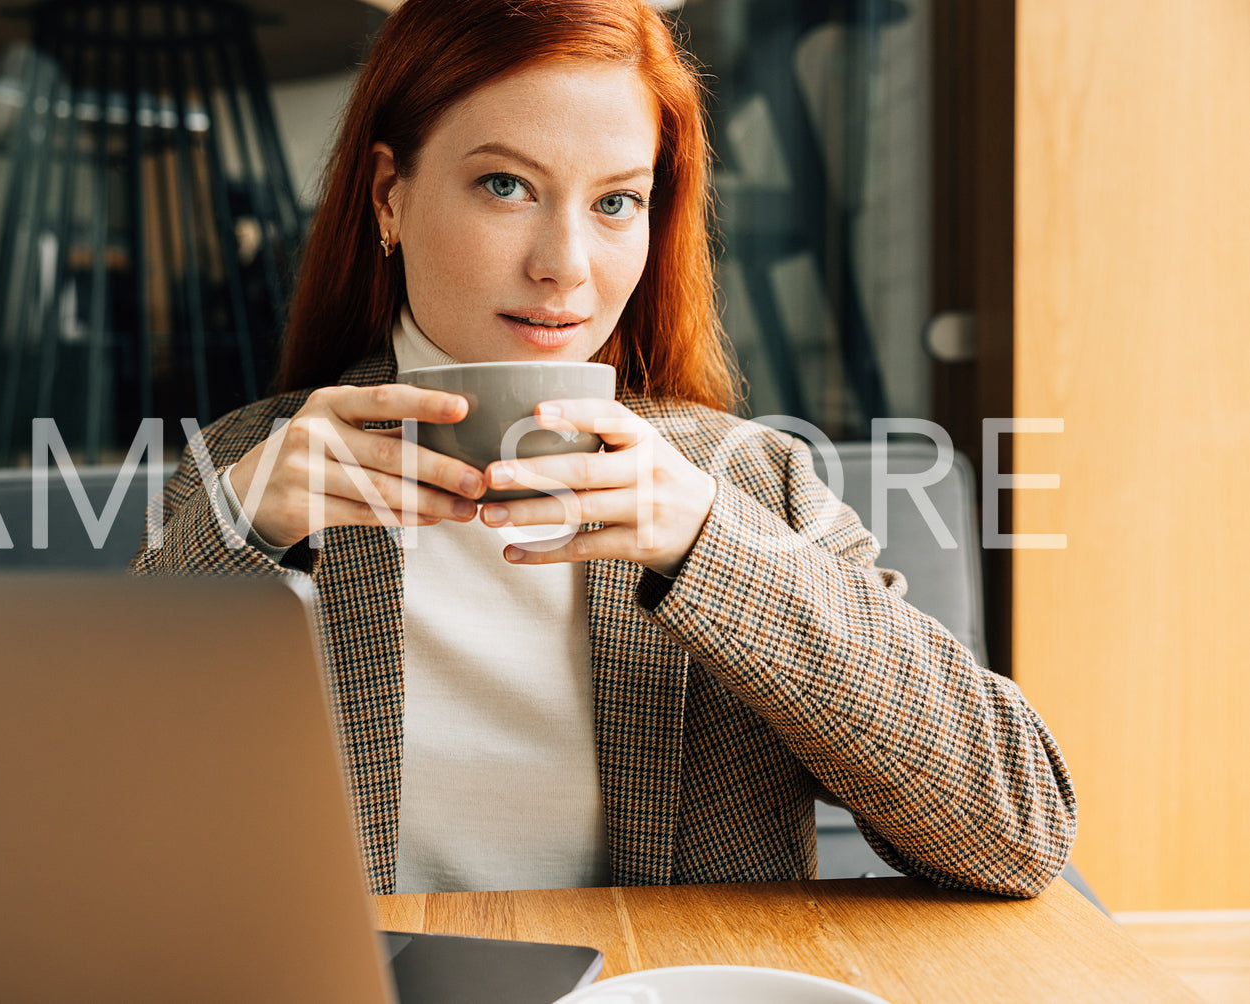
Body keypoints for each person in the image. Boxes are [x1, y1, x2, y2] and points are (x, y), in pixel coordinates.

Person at [130, 0, 1076, 898]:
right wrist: (234, 542)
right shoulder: (254, 467)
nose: (565, 266)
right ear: (389, 196)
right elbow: (98, 824)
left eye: (617, 203)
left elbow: (1014, 832)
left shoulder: (744, 479)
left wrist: (709, 546)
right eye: (504, 185)